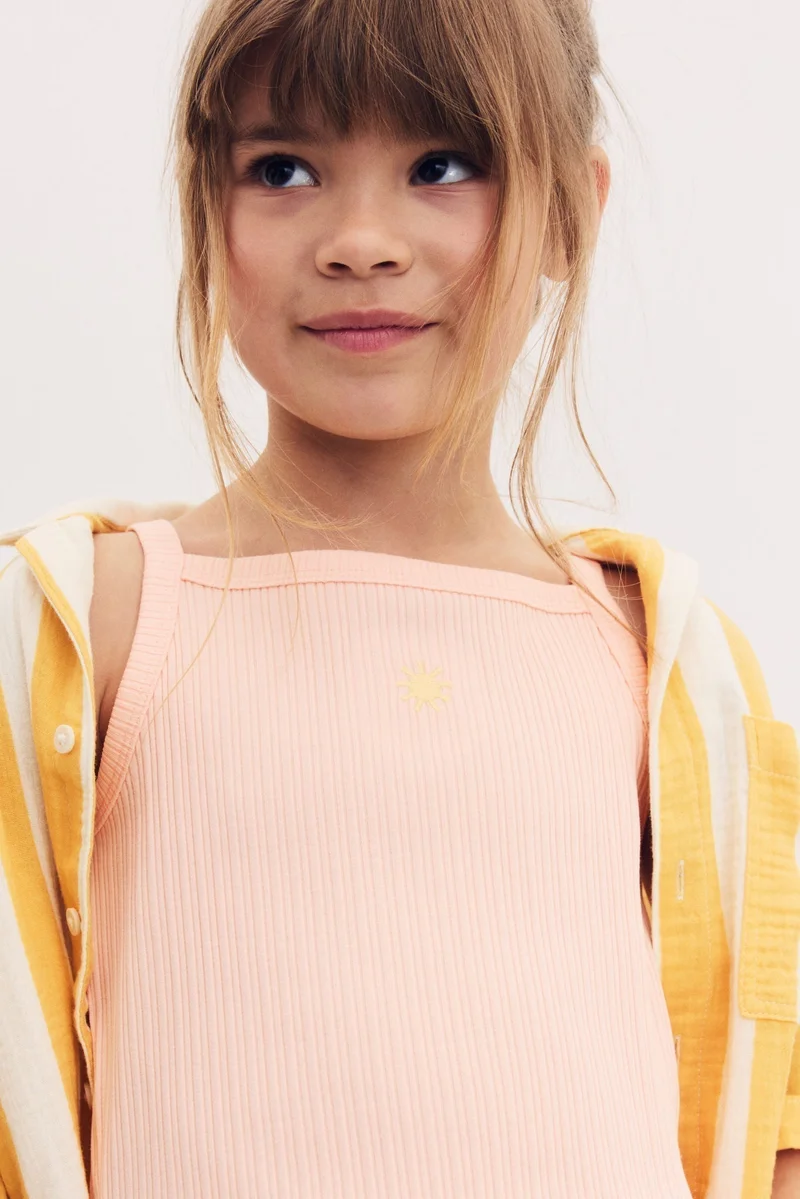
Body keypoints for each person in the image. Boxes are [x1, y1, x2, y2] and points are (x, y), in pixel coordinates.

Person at [0, 0, 798, 1196]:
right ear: (204, 212)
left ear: (569, 211)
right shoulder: (92, 621)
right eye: (283, 169)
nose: (361, 241)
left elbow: (770, 1102)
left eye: (441, 164)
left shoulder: (660, 658)